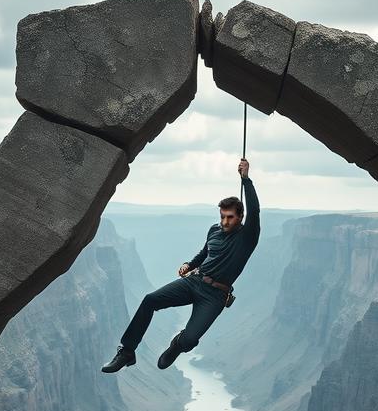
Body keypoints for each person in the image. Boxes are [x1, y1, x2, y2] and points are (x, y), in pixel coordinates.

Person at [102, 158, 260, 373]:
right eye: (222, 217)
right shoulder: (214, 230)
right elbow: (205, 253)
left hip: (215, 296)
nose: (224, 222)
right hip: (194, 281)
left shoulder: (247, 237)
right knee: (150, 300)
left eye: (230, 218)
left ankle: (178, 345)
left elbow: (255, 210)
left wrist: (246, 179)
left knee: (190, 340)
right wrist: (189, 264)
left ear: (240, 217)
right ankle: (127, 351)